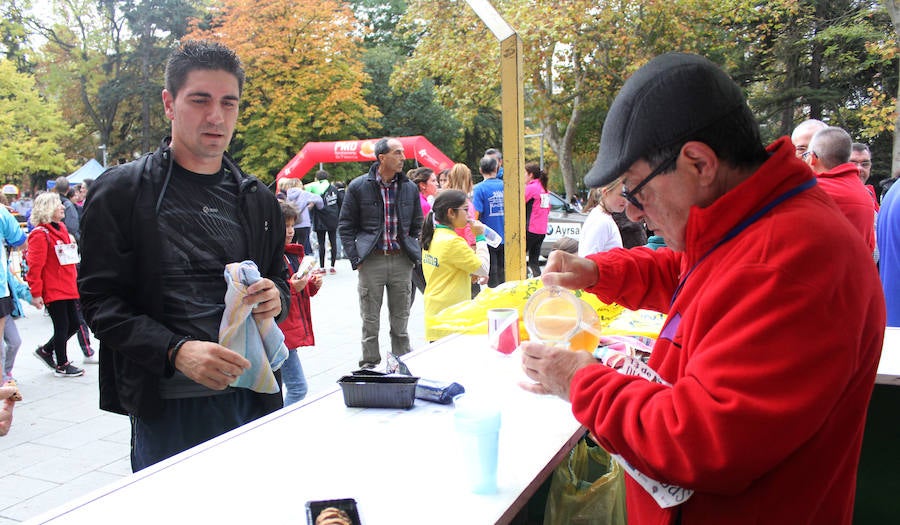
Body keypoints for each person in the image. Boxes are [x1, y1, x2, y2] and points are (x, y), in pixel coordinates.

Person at [520, 53, 884, 525]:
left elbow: (697, 441)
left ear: (698, 162)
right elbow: (690, 274)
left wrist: (579, 380)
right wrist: (597, 272)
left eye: (636, 189)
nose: (632, 212)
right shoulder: (753, 221)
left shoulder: (791, 261)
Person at [78, 40, 290, 472]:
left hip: (255, 392)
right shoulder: (122, 192)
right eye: (200, 100)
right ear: (169, 104)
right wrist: (176, 350)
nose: (216, 117)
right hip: (170, 407)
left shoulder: (258, 199)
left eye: (228, 103)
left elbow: (277, 277)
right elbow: (99, 303)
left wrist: (277, 297)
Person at [338, 137, 423, 369]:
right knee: (370, 319)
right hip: (371, 260)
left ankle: (401, 362)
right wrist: (356, 259)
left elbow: (417, 223)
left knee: (401, 319)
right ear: (382, 157)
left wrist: (412, 250)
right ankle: (369, 364)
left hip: (401, 260)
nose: (402, 158)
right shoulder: (358, 186)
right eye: (397, 153)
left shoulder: (409, 187)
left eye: (403, 152)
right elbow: (345, 226)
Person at [27, 192, 85, 378]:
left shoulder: (60, 228)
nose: (62, 207)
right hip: (54, 288)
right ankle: (62, 363)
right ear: (48, 208)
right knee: (62, 325)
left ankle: (46, 350)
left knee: (74, 324)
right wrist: (36, 293)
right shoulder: (40, 234)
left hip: (68, 285)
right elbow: (35, 267)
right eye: (58, 204)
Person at [420, 190, 489, 341]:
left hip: (435, 310)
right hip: (451, 315)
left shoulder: (434, 235)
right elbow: (484, 268)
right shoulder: (453, 242)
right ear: (451, 212)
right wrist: (480, 236)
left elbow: (446, 269)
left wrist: (467, 273)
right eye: (465, 210)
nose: (469, 215)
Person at [803, 126, 877, 253]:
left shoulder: (810, 193)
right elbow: (872, 247)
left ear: (813, 158)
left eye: (806, 155)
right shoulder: (865, 195)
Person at [277, 201, 323, 405]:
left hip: (287, 333)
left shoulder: (290, 254)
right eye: (285, 226)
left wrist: (311, 284)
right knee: (298, 388)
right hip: (280, 334)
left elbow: (298, 290)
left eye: (291, 225)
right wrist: (291, 287)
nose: (290, 231)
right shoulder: (273, 256)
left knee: (285, 387)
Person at [472, 155, 505, 287]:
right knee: (505, 275)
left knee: (493, 274)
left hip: (489, 237)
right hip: (506, 236)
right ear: (497, 169)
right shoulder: (505, 186)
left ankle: (496, 305)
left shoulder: (479, 189)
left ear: (480, 170)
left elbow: (476, 213)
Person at [409, 167, 438, 305]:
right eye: (433, 180)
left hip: (411, 252)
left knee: (408, 296)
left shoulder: (418, 200)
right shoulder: (423, 205)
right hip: (418, 254)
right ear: (423, 185)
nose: (437, 183)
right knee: (429, 292)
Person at [578, 180, 627, 257]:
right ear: (606, 192)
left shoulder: (603, 218)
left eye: (627, 195)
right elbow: (587, 259)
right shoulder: (601, 221)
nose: (626, 200)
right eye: (622, 195)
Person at [310, 170, 342, 274]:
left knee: (321, 243)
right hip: (332, 218)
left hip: (319, 219)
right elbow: (340, 203)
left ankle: (322, 267)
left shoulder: (314, 190)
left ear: (317, 178)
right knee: (333, 242)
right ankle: (332, 266)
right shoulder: (334, 189)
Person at [284, 179, 323, 256]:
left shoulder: (287, 195)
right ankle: (302, 263)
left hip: (292, 224)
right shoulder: (304, 193)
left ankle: (293, 263)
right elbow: (319, 199)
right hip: (303, 223)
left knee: (291, 246)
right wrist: (318, 207)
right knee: (303, 246)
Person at [523, 162, 550, 277]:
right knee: (534, 261)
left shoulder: (531, 188)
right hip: (541, 230)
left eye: (524, 173)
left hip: (530, 228)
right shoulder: (544, 189)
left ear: (531, 175)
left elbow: (519, 203)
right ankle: (537, 280)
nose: (522, 176)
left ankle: (522, 279)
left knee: (518, 258)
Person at [53, 177, 80, 244]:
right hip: (66, 240)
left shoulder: (50, 202)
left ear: (55, 188)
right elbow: (72, 227)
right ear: (68, 189)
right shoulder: (68, 205)